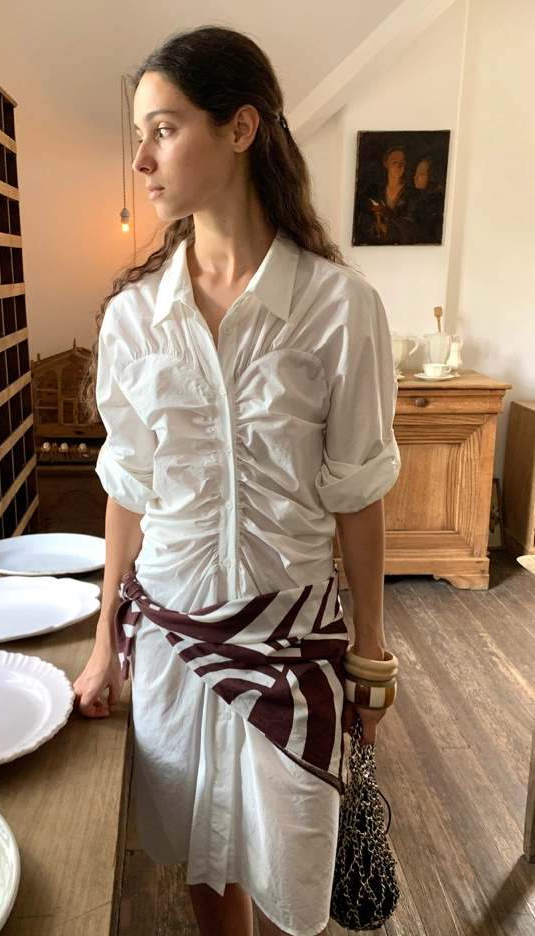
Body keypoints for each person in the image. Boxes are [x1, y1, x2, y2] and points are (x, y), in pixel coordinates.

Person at [74, 25, 401, 936]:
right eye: (139, 135)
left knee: (287, 855)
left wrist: (372, 659)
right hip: (170, 638)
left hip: (294, 645)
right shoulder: (133, 320)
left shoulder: (340, 309)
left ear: (241, 128)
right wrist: (103, 645)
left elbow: (358, 498)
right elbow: (128, 490)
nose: (141, 160)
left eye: (164, 129)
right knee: (201, 852)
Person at [355, 145, 417, 245]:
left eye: (402, 163)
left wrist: (390, 215)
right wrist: (377, 226)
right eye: (394, 162)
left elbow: (413, 229)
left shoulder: (412, 193)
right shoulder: (376, 192)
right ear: (386, 164)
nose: (399, 167)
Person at [408, 155, 444, 244]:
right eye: (416, 173)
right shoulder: (415, 198)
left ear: (432, 177)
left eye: (421, 174)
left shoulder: (437, 202)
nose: (416, 177)